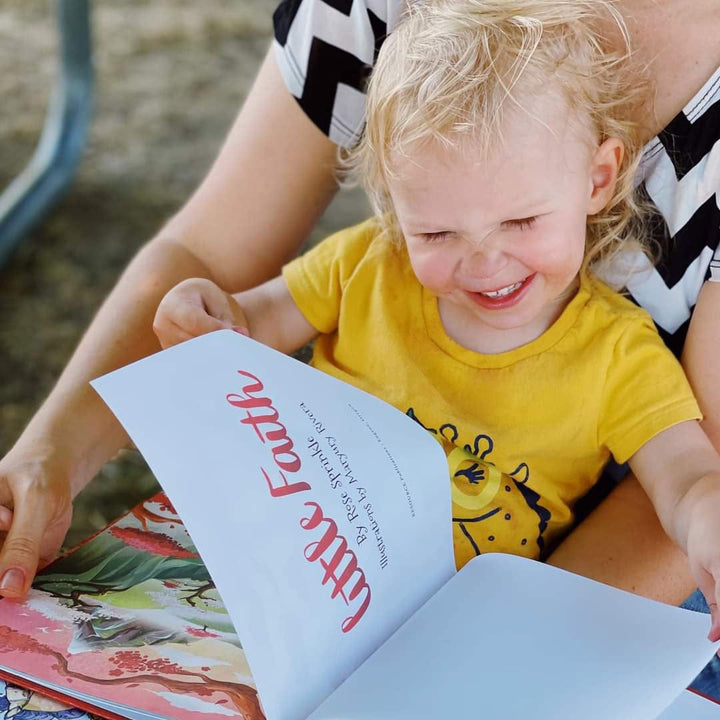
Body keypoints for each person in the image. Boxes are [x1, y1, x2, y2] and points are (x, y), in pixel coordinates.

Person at [0, 0, 717, 656]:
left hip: (472, 617)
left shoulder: (619, 353)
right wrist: (205, 312)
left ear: (599, 179)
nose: (483, 261)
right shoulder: (372, 261)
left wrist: (707, 514)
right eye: (436, 230)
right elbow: (245, 312)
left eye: (521, 221)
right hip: (290, 565)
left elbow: (685, 472)